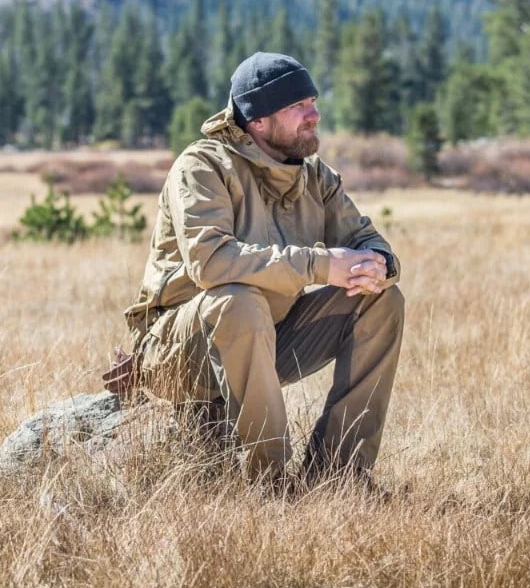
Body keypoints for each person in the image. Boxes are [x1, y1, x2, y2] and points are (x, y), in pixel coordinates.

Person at [118, 51, 404, 488]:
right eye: (298, 107)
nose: (315, 115)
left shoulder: (315, 178)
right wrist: (321, 265)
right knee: (238, 300)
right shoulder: (203, 167)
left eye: (312, 101)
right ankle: (267, 482)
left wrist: (376, 264)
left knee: (381, 299)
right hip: (179, 350)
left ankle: (339, 476)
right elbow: (211, 262)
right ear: (258, 122)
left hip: (269, 335)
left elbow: (365, 237)